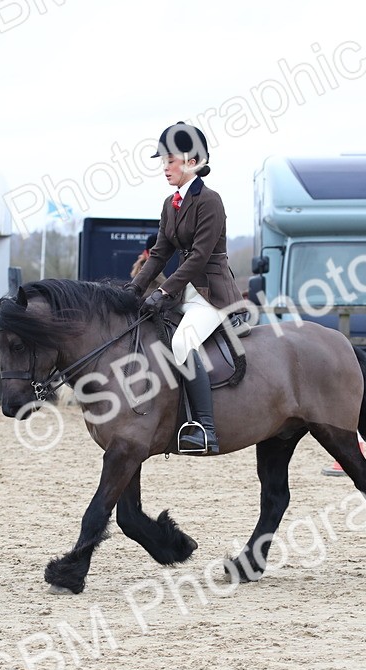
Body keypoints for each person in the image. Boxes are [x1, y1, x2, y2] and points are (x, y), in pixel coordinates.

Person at [128, 121, 240, 455]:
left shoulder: (210, 201)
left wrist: (162, 293)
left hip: (213, 294)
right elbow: (160, 253)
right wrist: (133, 290)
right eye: (163, 160)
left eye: (170, 160)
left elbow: (200, 257)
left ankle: (205, 429)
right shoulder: (170, 203)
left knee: (182, 342)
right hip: (185, 292)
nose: (165, 167)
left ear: (192, 161)